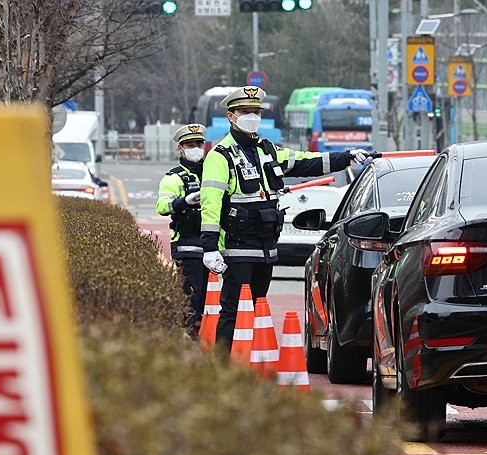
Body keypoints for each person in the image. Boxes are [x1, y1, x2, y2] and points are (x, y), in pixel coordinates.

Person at [199, 86, 369, 352]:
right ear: (231, 116)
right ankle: (222, 367)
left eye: (256, 111)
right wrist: (209, 246)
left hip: (265, 246)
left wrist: (344, 158)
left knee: (256, 308)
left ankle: (249, 362)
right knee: (232, 309)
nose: (252, 116)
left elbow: (304, 162)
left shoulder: (265, 149)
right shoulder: (220, 155)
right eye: (245, 112)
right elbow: (210, 202)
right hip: (237, 246)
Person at [156, 124, 209, 335]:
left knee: (211, 298)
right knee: (192, 298)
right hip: (188, 248)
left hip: (214, 246)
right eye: (190, 145)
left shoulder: (214, 173)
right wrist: (183, 202)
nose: (196, 148)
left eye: (199, 144)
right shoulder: (173, 178)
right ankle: (189, 336)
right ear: (181, 148)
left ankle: (208, 335)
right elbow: (162, 207)